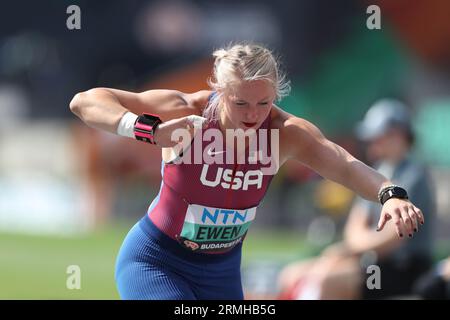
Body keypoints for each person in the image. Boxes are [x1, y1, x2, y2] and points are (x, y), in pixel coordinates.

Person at [69, 43, 425, 300]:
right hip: (157, 260)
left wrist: (389, 193)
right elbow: (85, 101)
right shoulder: (186, 111)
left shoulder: (285, 133)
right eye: (240, 102)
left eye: (263, 103)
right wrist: (147, 129)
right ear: (220, 92)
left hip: (221, 272)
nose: (253, 114)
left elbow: (345, 165)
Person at [277, 99, 435, 300]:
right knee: (293, 274)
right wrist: (349, 249)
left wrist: (346, 250)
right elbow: (354, 228)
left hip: (403, 270)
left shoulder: (414, 176)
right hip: (374, 264)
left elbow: (394, 238)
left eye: (378, 136)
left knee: (329, 279)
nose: (371, 142)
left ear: (398, 135)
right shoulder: (378, 174)